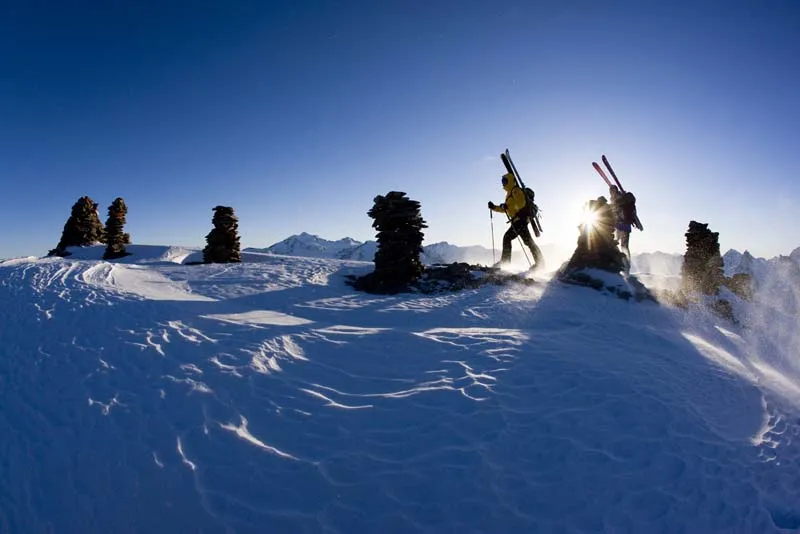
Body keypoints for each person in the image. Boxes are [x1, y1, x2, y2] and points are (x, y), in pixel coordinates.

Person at [488, 172, 544, 270]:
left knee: (508, 238)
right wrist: (494, 207)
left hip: (520, 220)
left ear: (509, 181)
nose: (503, 183)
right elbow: (506, 209)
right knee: (528, 242)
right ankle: (540, 263)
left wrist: (506, 206)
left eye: (504, 181)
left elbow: (521, 204)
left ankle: (505, 262)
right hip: (517, 221)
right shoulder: (509, 194)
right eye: (502, 181)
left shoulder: (516, 191)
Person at [608, 185, 639, 273]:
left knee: (624, 246)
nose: (611, 193)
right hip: (618, 226)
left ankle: (626, 266)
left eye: (612, 191)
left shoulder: (621, 197)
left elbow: (619, 207)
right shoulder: (613, 199)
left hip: (624, 226)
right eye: (610, 191)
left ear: (615, 191)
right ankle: (619, 263)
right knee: (614, 242)